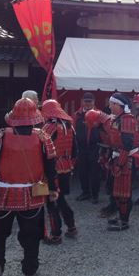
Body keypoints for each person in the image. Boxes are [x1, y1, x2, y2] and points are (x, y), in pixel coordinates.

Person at [0, 98, 58, 276]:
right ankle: (30, 271)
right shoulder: (43, 138)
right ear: (35, 117)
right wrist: (54, 189)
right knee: (31, 235)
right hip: (33, 194)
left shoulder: (0, 138)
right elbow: (51, 168)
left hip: (4, 195)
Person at [41, 99, 78, 244]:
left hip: (52, 169)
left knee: (51, 201)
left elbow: (42, 150)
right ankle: (71, 226)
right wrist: (70, 164)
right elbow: (75, 150)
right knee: (61, 198)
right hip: (66, 167)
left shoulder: (49, 127)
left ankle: (56, 234)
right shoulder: (70, 126)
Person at [105, 92, 137, 231]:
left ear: (118, 105)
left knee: (123, 194)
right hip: (118, 156)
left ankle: (124, 222)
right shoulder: (119, 118)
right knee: (117, 192)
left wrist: (120, 163)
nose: (109, 106)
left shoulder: (127, 119)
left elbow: (127, 144)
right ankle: (121, 217)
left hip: (125, 158)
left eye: (112, 103)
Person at [73, 92, 100, 203]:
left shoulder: (100, 115)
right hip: (81, 147)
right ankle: (85, 192)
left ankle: (95, 195)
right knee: (82, 171)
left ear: (94, 102)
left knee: (95, 173)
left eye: (90, 101)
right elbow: (72, 131)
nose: (88, 103)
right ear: (82, 101)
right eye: (86, 101)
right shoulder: (76, 115)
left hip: (96, 148)